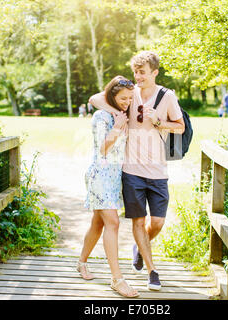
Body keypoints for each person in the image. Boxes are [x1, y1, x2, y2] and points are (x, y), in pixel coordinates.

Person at [89, 51, 185, 291]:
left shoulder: (167, 96)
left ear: (154, 72)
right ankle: (152, 272)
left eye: (142, 72)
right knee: (138, 222)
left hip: (158, 171)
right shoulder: (129, 93)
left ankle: (139, 248)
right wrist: (115, 111)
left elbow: (180, 127)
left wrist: (159, 122)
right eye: (135, 72)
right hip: (131, 171)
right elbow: (94, 99)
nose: (137, 77)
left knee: (159, 222)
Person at [78, 75, 139, 298]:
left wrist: (122, 118)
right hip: (99, 175)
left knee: (98, 223)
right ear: (112, 96)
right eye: (123, 98)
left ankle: (81, 262)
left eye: (130, 98)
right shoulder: (101, 117)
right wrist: (118, 127)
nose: (127, 102)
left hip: (114, 178)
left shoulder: (122, 113)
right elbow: (102, 148)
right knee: (112, 222)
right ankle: (117, 279)